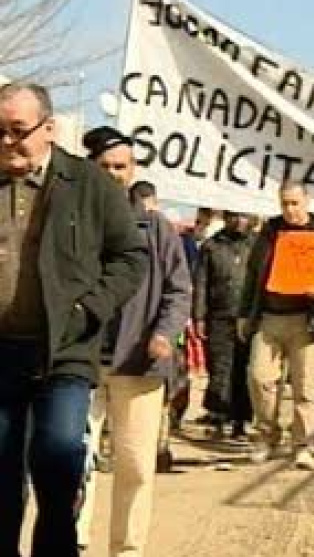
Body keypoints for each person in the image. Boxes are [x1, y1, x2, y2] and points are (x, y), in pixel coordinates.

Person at [0, 83, 148, 556]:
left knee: (58, 462)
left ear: (49, 128)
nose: (6, 141)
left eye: (17, 130)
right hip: (1, 355)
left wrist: (90, 309)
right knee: (1, 479)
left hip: (65, 352)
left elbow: (130, 257)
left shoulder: (89, 184)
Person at [75, 145, 190, 555]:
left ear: (132, 170)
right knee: (72, 459)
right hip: (80, 360)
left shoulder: (157, 229)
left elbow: (179, 289)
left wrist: (164, 333)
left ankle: (126, 549)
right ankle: (73, 539)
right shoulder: (71, 218)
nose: (112, 173)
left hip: (139, 362)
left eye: (120, 166)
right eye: (104, 166)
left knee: (136, 466)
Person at [238, 182, 314, 470]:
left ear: (307, 202)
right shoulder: (269, 233)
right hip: (269, 318)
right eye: (284, 204)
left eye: (294, 203)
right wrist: (244, 314)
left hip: (307, 320)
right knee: (259, 378)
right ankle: (266, 437)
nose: (290, 209)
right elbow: (252, 275)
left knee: (305, 387)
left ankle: (302, 446)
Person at [193, 211, 255, 440]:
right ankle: (217, 417)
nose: (239, 221)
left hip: (248, 317)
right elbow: (201, 283)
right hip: (218, 316)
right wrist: (199, 317)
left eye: (243, 216)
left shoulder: (256, 245)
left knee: (244, 368)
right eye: (234, 216)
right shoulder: (211, 246)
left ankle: (240, 422)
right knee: (219, 368)